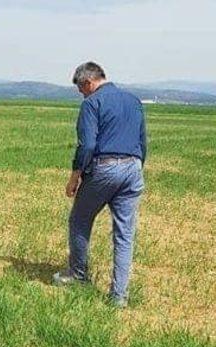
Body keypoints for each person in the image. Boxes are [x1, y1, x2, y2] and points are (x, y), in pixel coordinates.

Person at [52, 62, 146, 308]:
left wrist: (75, 176)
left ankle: (78, 276)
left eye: (81, 89)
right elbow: (142, 141)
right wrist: (135, 169)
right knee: (125, 234)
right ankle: (119, 297)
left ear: (88, 83)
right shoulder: (134, 101)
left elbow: (88, 146)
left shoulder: (92, 104)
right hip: (134, 168)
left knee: (80, 220)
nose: (82, 94)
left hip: (105, 168)